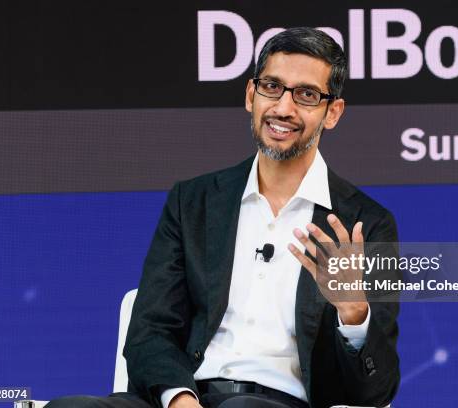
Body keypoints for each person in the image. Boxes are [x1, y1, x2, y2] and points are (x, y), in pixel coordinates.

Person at [46, 27, 400, 408]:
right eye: (272, 87)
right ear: (251, 95)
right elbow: (150, 330)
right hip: (183, 398)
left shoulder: (364, 223)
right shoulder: (193, 202)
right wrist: (180, 399)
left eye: (306, 95)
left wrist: (354, 314)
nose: (283, 108)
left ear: (332, 113)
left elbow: (376, 390)